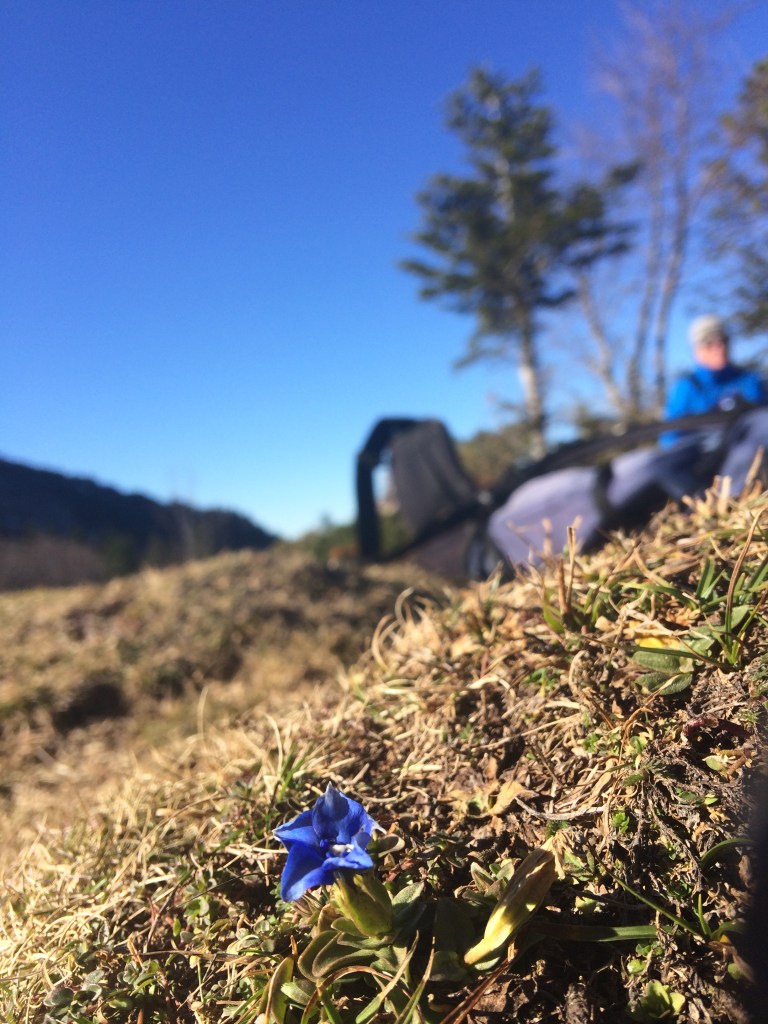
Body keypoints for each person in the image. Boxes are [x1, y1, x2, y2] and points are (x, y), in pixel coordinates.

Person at [662, 315, 767, 446]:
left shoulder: (750, 381)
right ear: (697, 351)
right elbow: (670, 439)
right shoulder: (685, 388)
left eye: (723, 340)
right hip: (699, 454)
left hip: (746, 449)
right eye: (709, 343)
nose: (719, 348)